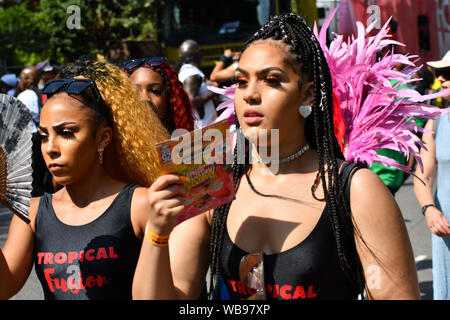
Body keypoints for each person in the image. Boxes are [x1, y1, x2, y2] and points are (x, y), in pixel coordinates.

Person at [133, 14, 419, 300]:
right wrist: (157, 232)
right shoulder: (216, 186)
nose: (250, 95)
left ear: (307, 94)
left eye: (270, 80)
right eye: (242, 82)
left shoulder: (355, 189)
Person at [0, 58, 169, 300]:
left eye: (66, 133)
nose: (51, 148)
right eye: (44, 136)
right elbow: (3, 289)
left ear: (103, 138)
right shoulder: (33, 213)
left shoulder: (141, 204)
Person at [414, 50, 450, 300]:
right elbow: (422, 177)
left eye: (448, 74)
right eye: (439, 75)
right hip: (445, 232)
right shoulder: (436, 122)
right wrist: (429, 208)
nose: (441, 80)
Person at [123, 57, 195, 133]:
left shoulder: (188, 142)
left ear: (170, 99)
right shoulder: (116, 142)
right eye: (135, 91)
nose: (144, 98)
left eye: (155, 90)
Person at [178, 39, 217, 128]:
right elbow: (192, 101)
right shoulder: (191, 74)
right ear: (196, 54)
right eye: (199, 51)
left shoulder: (186, 72)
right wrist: (214, 91)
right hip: (202, 127)